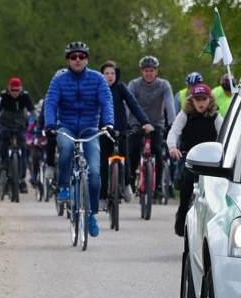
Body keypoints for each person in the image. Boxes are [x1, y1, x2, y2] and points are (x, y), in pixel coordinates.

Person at [43, 41, 115, 238]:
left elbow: (106, 102)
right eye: (73, 57)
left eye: (81, 56)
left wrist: (108, 123)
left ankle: (91, 215)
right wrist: (50, 125)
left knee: (94, 173)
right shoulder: (59, 80)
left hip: (90, 128)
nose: (77, 60)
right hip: (65, 126)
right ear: (68, 60)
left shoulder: (98, 79)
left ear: (87, 59)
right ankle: (64, 186)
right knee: (65, 148)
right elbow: (50, 102)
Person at [167, 83, 223, 236]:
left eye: (203, 99)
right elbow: (174, 131)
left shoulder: (216, 117)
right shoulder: (185, 114)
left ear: (210, 100)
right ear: (191, 100)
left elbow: (225, 136)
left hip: (210, 160)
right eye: (197, 99)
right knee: (185, 188)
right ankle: (182, 219)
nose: (201, 103)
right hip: (189, 158)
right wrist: (172, 147)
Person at [99, 60, 153, 203]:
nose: (110, 76)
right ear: (101, 75)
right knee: (103, 162)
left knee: (125, 156)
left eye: (113, 73)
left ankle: (127, 183)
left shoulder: (121, 88)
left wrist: (145, 122)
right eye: (106, 73)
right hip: (103, 130)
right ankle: (103, 195)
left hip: (120, 128)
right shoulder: (97, 88)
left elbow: (133, 104)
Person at [126, 55, 177, 196]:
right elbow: (128, 104)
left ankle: (159, 185)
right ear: (141, 72)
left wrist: (172, 123)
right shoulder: (134, 84)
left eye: (152, 70)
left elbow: (169, 105)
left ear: (156, 72)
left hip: (156, 123)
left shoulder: (164, 85)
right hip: (137, 122)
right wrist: (125, 122)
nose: (149, 73)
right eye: (146, 70)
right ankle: (129, 182)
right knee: (133, 150)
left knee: (157, 151)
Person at [0, 77, 36, 193]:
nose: (15, 93)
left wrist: (33, 123)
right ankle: (3, 162)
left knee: (23, 148)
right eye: (12, 90)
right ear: (9, 89)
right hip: (5, 123)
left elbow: (32, 111)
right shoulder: (2, 95)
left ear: (21, 89)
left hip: (20, 123)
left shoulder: (25, 96)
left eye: (17, 90)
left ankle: (22, 178)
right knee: (4, 137)